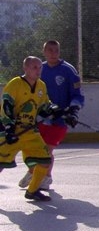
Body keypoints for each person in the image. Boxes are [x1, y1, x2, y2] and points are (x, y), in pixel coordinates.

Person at [18, 40, 83, 191]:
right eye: (50, 50)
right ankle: (33, 172)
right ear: (44, 52)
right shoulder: (38, 69)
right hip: (40, 118)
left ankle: (45, 178)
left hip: (59, 119)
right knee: (33, 149)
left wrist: (73, 111)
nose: (53, 53)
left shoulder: (68, 70)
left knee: (47, 150)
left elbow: (77, 94)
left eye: (56, 50)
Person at [1, 56, 64, 202]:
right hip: (12, 132)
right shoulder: (15, 84)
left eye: (40, 67)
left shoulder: (41, 86)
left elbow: (44, 106)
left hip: (30, 132)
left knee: (45, 160)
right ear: (26, 68)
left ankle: (32, 191)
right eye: (34, 67)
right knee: (0, 162)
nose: (38, 70)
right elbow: (6, 106)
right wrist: (9, 128)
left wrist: (54, 110)